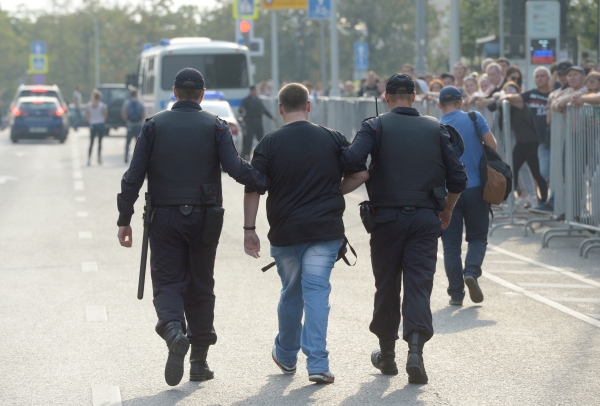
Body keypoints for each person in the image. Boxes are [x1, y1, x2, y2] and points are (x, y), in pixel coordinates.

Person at [116, 68, 269, 387]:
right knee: (201, 284)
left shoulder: (153, 125)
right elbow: (236, 168)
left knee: (167, 281)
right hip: (205, 217)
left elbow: (133, 178)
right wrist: (266, 180)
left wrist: (124, 218)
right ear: (202, 94)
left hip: (163, 217)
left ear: (174, 92)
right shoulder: (216, 126)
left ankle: (174, 331)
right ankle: (199, 362)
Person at [340, 74, 468, 384]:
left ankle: (387, 355)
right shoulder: (436, 129)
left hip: (386, 220)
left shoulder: (374, 126)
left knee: (387, 286)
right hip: (425, 219)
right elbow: (458, 178)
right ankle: (415, 353)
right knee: (418, 284)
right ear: (415, 97)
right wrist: (448, 209)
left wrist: (367, 172)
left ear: (386, 98)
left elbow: (350, 159)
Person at [243, 83, 369, 384]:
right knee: (317, 292)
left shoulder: (269, 143)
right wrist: (333, 192)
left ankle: (287, 356)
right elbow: (361, 173)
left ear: (280, 109)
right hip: (324, 232)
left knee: (291, 293)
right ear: (309, 106)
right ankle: (318, 364)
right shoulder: (332, 138)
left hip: (286, 233)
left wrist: (249, 229)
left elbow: (253, 188)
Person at [437, 86, 497, 306]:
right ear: (461, 102)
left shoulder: (436, 126)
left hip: (448, 192)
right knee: (478, 237)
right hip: (476, 188)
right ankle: (471, 272)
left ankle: (456, 294)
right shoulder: (475, 118)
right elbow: (492, 145)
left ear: (439, 105)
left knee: (451, 245)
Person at [493, 81, 549, 205]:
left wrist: (503, 97)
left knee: (536, 173)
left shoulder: (520, 103)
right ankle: (509, 199)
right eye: (506, 90)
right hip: (521, 144)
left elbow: (509, 99)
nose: (509, 92)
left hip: (532, 143)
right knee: (512, 170)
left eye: (512, 90)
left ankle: (544, 201)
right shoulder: (507, 107)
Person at [503, 66, 553, 190]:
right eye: (537, 76)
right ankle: (510, 197)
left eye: (542, 76)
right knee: (521, 169)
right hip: (536, 140)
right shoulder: (530, 94)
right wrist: (505, 96)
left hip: (552, 138)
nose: (539, 78)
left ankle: (547, 198)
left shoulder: (554, 94)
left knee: (542, 173)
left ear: (549, 78)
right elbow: (516, 98)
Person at [239, 85, 276, 160]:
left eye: (255, 90)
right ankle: (247, 155)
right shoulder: (246, 100)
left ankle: (263, 154)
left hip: (258, 122)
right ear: (250, 91)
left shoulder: (258, 100)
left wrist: (272, 117)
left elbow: (264, 110)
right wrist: (242, 110)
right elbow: (240, 110)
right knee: (249, 140)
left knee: (261, 139)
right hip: (250, 122)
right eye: (253, 91)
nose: (254, 92)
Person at [121, 87, 145, 163]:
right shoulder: (140, 102)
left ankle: (126, 156)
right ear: (136, 94)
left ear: (130, 94)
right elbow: (143, 114)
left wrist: (128, 119)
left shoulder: (127, 103)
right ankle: (138, 158)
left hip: (130, 125)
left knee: (128, 142)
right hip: (138, 125)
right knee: (138, 143)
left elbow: (123, 113)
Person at [85, 90, 107, 166]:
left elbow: (86, 114)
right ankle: (99, 157)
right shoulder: (101, 105)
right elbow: (105, 113)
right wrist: (102, 119)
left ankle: (89, 159)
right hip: (100, 123)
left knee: (91, 142)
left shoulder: (89, 104)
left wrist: (89, 120)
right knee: (100, 142)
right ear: (99, 98)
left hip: (93, 124)